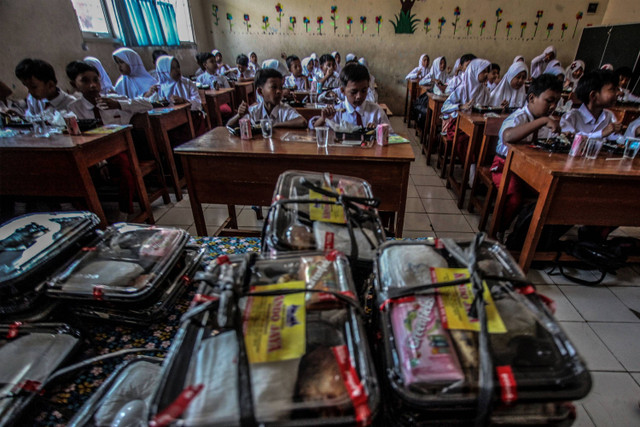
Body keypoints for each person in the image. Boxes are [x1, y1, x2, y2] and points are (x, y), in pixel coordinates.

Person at [66, 60, 152, 220]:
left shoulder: (113, 99)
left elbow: (147, 104)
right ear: (74, 84)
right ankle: (89, 217)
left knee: (125, 169)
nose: (92, 85)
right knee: (72, 174)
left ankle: (124, 213)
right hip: (89, 156)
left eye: (95, 80)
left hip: (117, 152)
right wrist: (101, 163)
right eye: (85, 81)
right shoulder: (74, 109)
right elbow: (76, 138)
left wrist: (118, 104)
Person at [492, 74, 563, 231]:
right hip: (505, 167)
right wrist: (542, 122)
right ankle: (498, 230)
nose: (553, 106)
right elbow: (508, 137)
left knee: (550, 194)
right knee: (515, 198)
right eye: (549, 101)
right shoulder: (518, 117)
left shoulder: (548, 121)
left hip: (531, 170)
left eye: (556, 102)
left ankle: (526, 234)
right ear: (532, 98)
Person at [441, 58, 491, 167]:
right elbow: (444, 107)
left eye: (488, 71)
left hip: (477, 126)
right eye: (484, 71)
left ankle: (478, 168)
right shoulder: (462, 88)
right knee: (468, 142)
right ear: (474, 71)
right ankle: (471, 168)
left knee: (486, 141)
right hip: (458, 126)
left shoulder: (485, 91)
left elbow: (487, 109)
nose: (486, 74)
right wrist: (460, 106)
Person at [313, 63, 392, 131]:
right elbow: (314, 130)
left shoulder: (376, 112)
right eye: (354, 92)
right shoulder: (336, 112)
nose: (359, 96)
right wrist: (323, 119)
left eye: (364, 91)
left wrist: (377, 132)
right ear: (343, 91)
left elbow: (391, 136)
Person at [227, 68, 306, 128]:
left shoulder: (284, 110)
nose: (279, 91)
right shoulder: (254, 111)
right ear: (260, 92)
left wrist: (273, 125)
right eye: (274, 87)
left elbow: (302, 122)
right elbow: (228, 127)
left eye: (280, 87)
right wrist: (239, 115)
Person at [560, 70, 623, 141]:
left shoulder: (609, 116)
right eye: (612, 89)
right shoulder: (571, 117)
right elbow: (569, 139)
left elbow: (616, 140)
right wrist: (601, 133)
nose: (618, 93)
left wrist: (617, 134)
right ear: (593, 95)